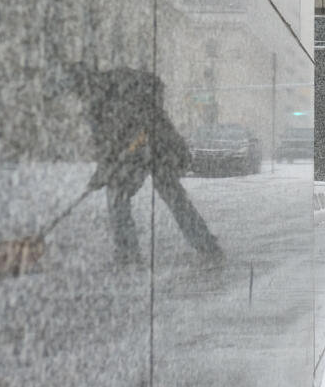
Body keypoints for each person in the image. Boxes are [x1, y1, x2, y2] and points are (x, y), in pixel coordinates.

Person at [64, 62, 223, 265]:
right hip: (150, 147)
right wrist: (101, 173)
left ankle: (130, 253)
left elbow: (122, 134)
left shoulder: (111, 91)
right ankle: (205, 246)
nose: (77, 96)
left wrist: (141, 125)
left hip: (155, 145)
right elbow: (108, 147)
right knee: (162, 197)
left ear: (82, 84)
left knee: (136, 195)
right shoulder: (104, 97)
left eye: (76, 90)